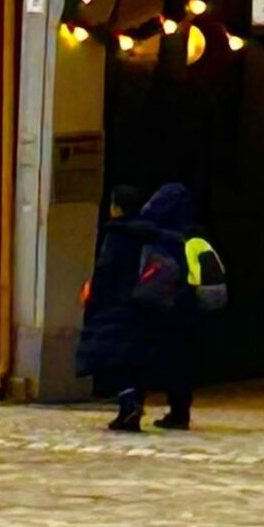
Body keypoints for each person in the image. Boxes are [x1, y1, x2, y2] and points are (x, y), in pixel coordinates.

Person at [77, 180, 202, 431]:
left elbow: (107, 271)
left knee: (114, 359)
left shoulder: (120, 233)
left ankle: (130, 405)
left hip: (119, 306)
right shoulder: (166, 236)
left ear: (116, 208)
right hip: (155, 305)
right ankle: (164, 409)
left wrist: (94, 302)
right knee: (147, 359)